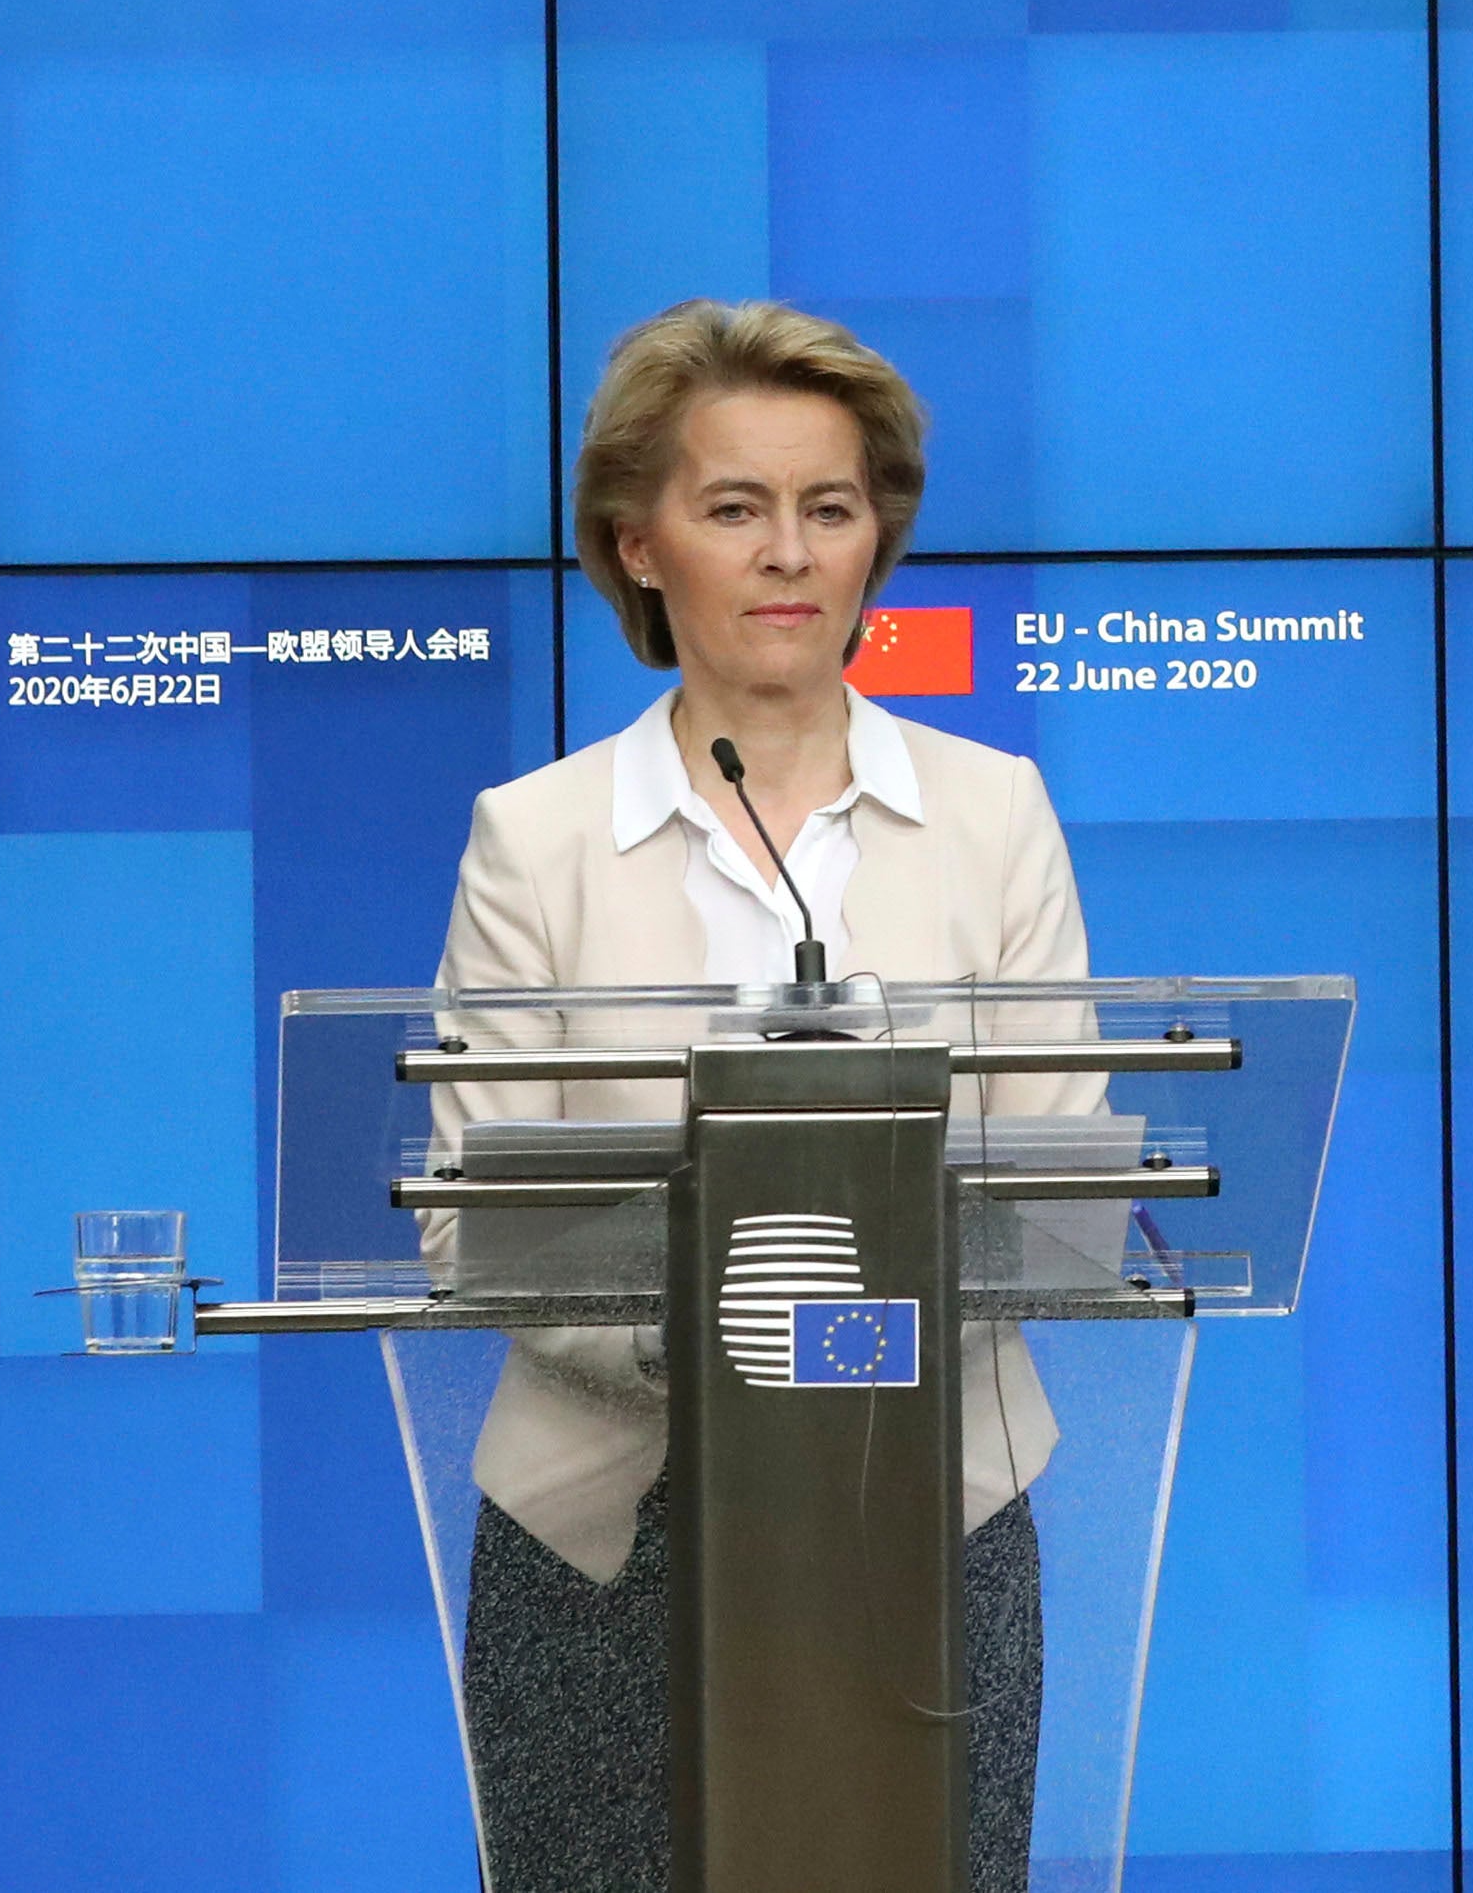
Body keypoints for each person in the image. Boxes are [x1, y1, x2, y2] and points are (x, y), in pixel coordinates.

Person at [436, 301, 1100, 1893]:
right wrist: (732, 1342)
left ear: (878, 538)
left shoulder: (992, 816)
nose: (790, 554)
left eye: (831, 507)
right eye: (735, 508)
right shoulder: (536, 839)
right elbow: (479, 1227)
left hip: (929, 1510)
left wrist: (853, 1344)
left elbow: (1062, 1190)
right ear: (640, 545)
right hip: (602, 1525)